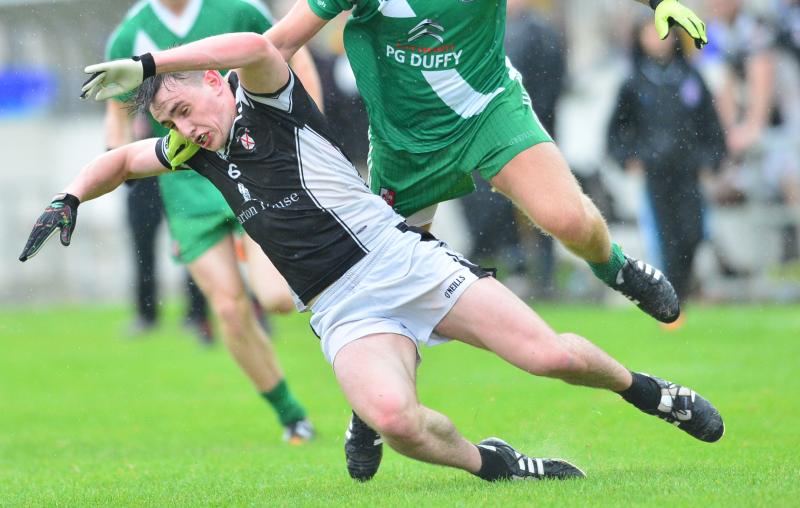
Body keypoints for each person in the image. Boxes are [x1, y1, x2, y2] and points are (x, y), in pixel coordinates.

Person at [21, 31, 724, 482]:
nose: (183, 129)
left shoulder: (270, 101)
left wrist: (150, 63)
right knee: (396, 421)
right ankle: (501, 467)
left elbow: (258, 46)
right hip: (342, 309)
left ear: (212, 81)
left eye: (183, 109)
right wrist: (69, 198)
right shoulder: (192, 153)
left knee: (551, 358)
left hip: (400, 262)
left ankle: (652, 392)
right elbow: (117, 161)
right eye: (169, 122)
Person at [264, 0, 709, 478]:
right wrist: (215, 115)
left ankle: (616, 268)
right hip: (404, 145)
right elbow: (278, 43)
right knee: (382, 287)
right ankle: (370, 411)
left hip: (487, 110)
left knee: (570, 221)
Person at [99, 0, 323, 443]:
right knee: (228, 309)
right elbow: (118, 113)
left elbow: (291, 52)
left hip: (252, 166)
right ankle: (291, 415)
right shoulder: (132, 33)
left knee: (277, 298)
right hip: (185, 187)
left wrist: (312, 124)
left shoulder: (237, 9)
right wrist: (116, 168)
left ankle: (249, 244)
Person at [608, 21, 726, 321]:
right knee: (666, 237)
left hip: (688, 172)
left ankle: (682, 290)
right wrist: (630, 157)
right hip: (656, 174)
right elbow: (616, 132)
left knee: (694, 233)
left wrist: (711, 158)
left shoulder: (690, 77)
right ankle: (672, 305)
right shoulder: (634, 82)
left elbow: (710, 124)